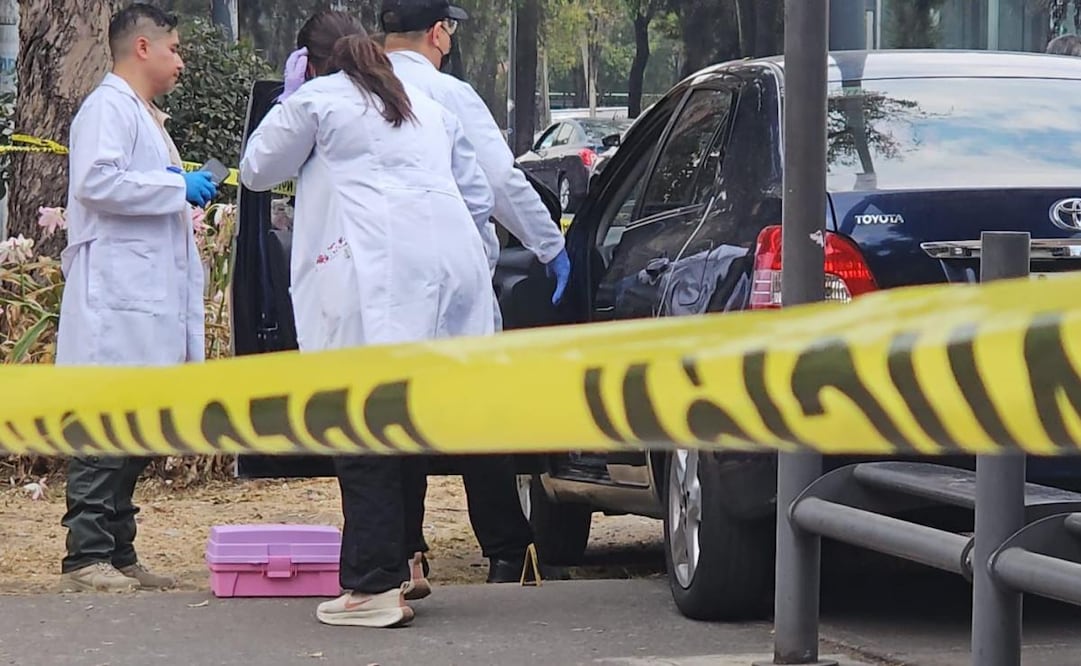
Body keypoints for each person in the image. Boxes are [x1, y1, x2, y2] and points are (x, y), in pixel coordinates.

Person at [239, 10, 495, 628]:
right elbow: (477, 188)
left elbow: (256, 169)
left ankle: (373, 588)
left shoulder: (321, 99)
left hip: (374, 278)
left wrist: (294, 98)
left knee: (359, 424)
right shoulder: (421, 102)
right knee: (401, 421)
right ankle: (402, 567)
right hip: (447, 269)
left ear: (310, 61)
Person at [380, 0, 567, 584]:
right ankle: (508, 551)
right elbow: (501, 179)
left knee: (396, 415)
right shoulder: (449, 95)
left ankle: (404, 551)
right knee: (475, 413)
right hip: (456, 275)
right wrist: (550, 247)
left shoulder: (349, 92)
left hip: (381, 279)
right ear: (439, 33)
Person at [56, 3, 217, 593]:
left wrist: (177, 185)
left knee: (138, 428)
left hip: (145, 299)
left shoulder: (145, 115)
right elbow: (96, 182)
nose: (180, 61)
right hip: (115, 301)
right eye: (174, 49)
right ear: (142, 48)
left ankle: (120, 551)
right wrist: (176, 185)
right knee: (104, 429)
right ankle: (86, 556)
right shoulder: (107, 107)